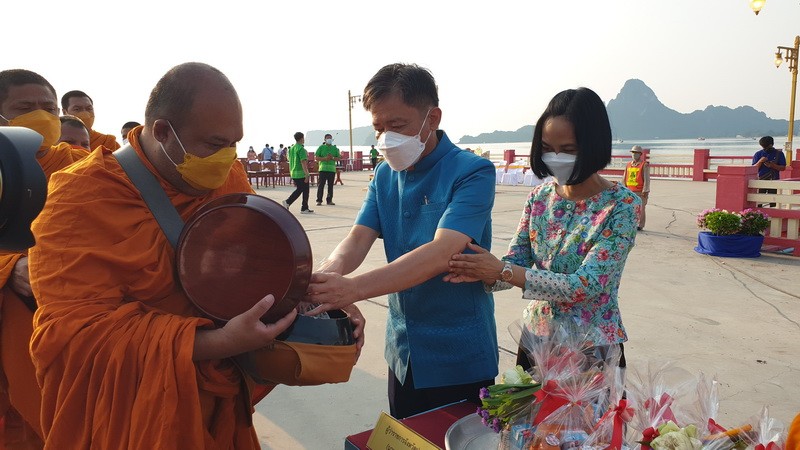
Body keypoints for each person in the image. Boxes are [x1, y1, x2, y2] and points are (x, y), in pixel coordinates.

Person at [27, 62, 364, 448]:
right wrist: (218, 342)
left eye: (235, 143)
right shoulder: (80, 196)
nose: (227, 157)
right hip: (133, 414)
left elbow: (258, 265)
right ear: (163, 132)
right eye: (214, 144)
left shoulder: (227, 177)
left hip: (216, 402)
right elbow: (73, 335)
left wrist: (310, 300)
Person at [306, 63, 498, 419]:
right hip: (404, 351)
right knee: (404, 436)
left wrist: (352, 290)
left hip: (458, 355)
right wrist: (327, 277)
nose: (386, 138)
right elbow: (358, 237)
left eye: (397, 126)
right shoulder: (383, 174)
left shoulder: (471, 172)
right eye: (378, 128)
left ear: (432, 118)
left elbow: (443, 252)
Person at [445, 87, 640, 371]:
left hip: (592, 349)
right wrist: (477, 271)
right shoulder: (540, 197)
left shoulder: (622, 206)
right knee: (528, 416)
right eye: (547, 148)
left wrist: (501, 271)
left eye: (569, 150)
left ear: (594, 145)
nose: (555, 157)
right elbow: (516, 261)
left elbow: (584, 285)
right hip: (537, 339)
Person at [0, 68, 89, 450]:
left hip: (68, 321)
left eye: (49, 108)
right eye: (25, 107)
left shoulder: (80, 166)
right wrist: (10, 267)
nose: (41, 115)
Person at [282, 132, 313, 214]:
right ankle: (288, 202)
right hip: (301, 173)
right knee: (302, 189)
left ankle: (304, 207)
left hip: (293, 171)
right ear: (302, 138)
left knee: (304, 189)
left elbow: (289, 159)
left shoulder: (292, 148)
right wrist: (307, 174)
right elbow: (303, 162)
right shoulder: (301, 149)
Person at [752, 136, 786, 207]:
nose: (766, 148)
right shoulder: (758, 154)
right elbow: (754, 169)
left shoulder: (779, 154)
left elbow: (783, 168)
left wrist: (772, 165)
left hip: (774, 180)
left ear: (772, 144)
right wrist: (760, 161)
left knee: (773, 201)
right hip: (761, 180)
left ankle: (773, 214)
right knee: (759, 201)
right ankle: (760, 216)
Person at [623, 145, 650, 230]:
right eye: (633, 153)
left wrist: (645, 190)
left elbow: (647, 179)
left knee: (641, 209)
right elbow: (624, 178)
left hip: (640, 191)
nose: (634, 155)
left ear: (640, 154)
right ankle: (631, 223)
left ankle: (640, 225)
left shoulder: (644, 165)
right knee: (629, 208)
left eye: (636, 153)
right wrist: (623, 188)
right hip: (629, 190)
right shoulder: (628, 165)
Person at [315, 133, 340, 206]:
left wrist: (332, 158)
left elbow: (338, 158)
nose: (329, 139)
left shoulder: (335, 148)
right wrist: (325, 158)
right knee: (321, 185)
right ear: (325, 139)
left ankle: (329, 200)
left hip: (331, 170)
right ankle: (319, 200)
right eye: (328, 138)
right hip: (322, 169)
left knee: (330, 185)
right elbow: (316, 158)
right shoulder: (321, 148)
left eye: (330, 138)